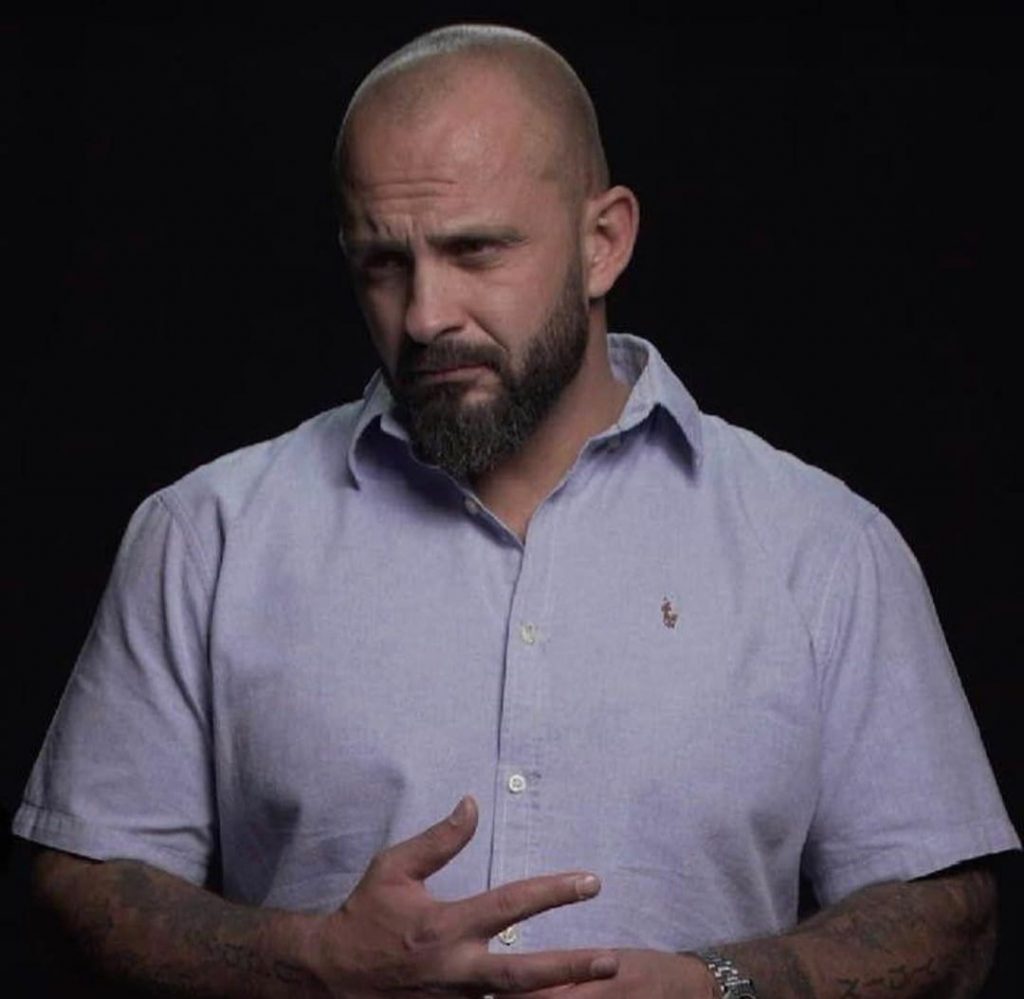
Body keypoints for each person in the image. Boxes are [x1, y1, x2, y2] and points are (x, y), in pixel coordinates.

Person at [15, 23, 1019, 999]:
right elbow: (81, 889)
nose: (424, 316)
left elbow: (947, 919)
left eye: (476, 251)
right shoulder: (206, 537)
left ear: (602, 243)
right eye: (382, 262)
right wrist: (314, 965)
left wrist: (715, 986)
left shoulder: (822, 548)